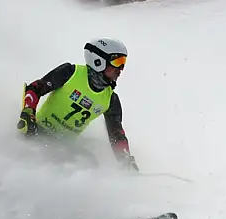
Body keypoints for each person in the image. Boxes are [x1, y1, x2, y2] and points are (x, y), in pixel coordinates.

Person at [16, 37, 139, 172]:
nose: (120, 69)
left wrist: (125, 159)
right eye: (117, 62)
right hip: (36, 131)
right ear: (98, 61)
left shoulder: (111, 100)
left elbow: (116, 134)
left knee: (88, 163)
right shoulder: (70, 72)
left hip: (63, 146)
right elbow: (35, 89)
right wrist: (28, 113)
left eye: (123, 63)